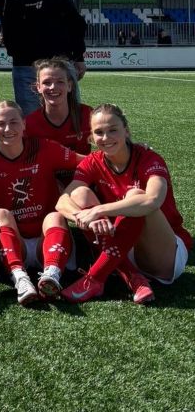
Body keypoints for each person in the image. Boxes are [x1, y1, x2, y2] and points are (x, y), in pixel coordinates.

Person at [56, 104, 190, 304]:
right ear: (91, 138)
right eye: (99, 132)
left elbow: (152, 200)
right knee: (81, 194)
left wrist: (99, 210)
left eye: (113, 130)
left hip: (165, 256)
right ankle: (132, 277)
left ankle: (95, 278)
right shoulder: (93, 161)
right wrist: (82, 216)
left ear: (126, 131)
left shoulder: (148, 158)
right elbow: (62, 201)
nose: (106, 137)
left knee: (135, 196)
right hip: (123, 247)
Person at [0, 101, 83, 305]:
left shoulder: (44, 148)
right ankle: (20, 278)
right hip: (14, 244)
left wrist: (128, 150)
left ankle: (51, 275)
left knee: (55, 215)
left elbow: (87, 161)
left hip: (49, 239)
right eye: (0, 123)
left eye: (14, 122)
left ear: (24, 124)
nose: (8, 129)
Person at [25, 57, 92, 156]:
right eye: (47, 82)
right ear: (38, 87)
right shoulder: (29, 124)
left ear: (69, 86)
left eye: (60, 82)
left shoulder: (88, 115)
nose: (53, 87)